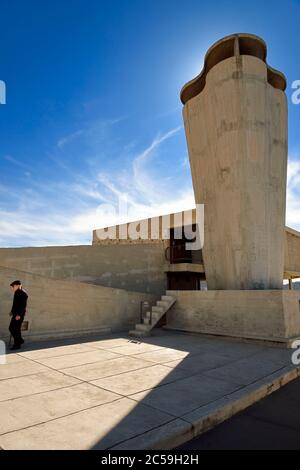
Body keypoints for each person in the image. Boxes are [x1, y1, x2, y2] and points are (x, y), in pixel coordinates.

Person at [9, 280, 28, 350]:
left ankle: (17, 344)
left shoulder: (23, 293)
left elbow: (23, 306)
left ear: (17, 285)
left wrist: (19, 315)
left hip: (19, 315)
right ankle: (20, 340)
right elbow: (15, 304)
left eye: (13, 286)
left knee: (13, 329)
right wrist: (12, 311)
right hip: (16, 314)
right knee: (14, 329)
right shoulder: (17, 292)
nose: (12, 288)